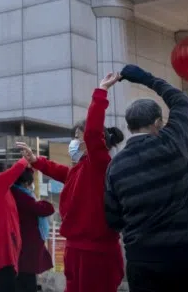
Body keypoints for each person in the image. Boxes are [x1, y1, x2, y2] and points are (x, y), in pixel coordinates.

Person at [104, 64, 188, 292]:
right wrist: (144, 77)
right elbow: (180, 100)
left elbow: (113, 220)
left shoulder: (115, 166)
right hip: (185, 259)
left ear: (129, 126)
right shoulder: (173, 143)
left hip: (142, 264)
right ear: (157, 123)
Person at [16, 72, 125, 292]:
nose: (73, 141)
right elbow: (62, 172)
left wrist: (101, 92)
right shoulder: (82, 168)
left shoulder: (100, 163)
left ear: (89, 140)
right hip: (77, 249)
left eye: (77, 136)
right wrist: (37, 161)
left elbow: (93, 131)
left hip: (94, 252)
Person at [0, 157, 30, 292]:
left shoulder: (5, 190)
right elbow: (14, 172)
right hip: (0, 248)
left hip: (6, 247)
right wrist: (25, 159)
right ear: (3, 172)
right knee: (5, 284)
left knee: (2, 285)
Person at [9, 168, 55, 292]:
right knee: (27, 279)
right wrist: (46, 203)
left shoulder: (13, 193)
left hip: (20, 243)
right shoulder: (23, 197)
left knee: (23, 278)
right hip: (26, 244)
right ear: (25, 183)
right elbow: (45, 209)